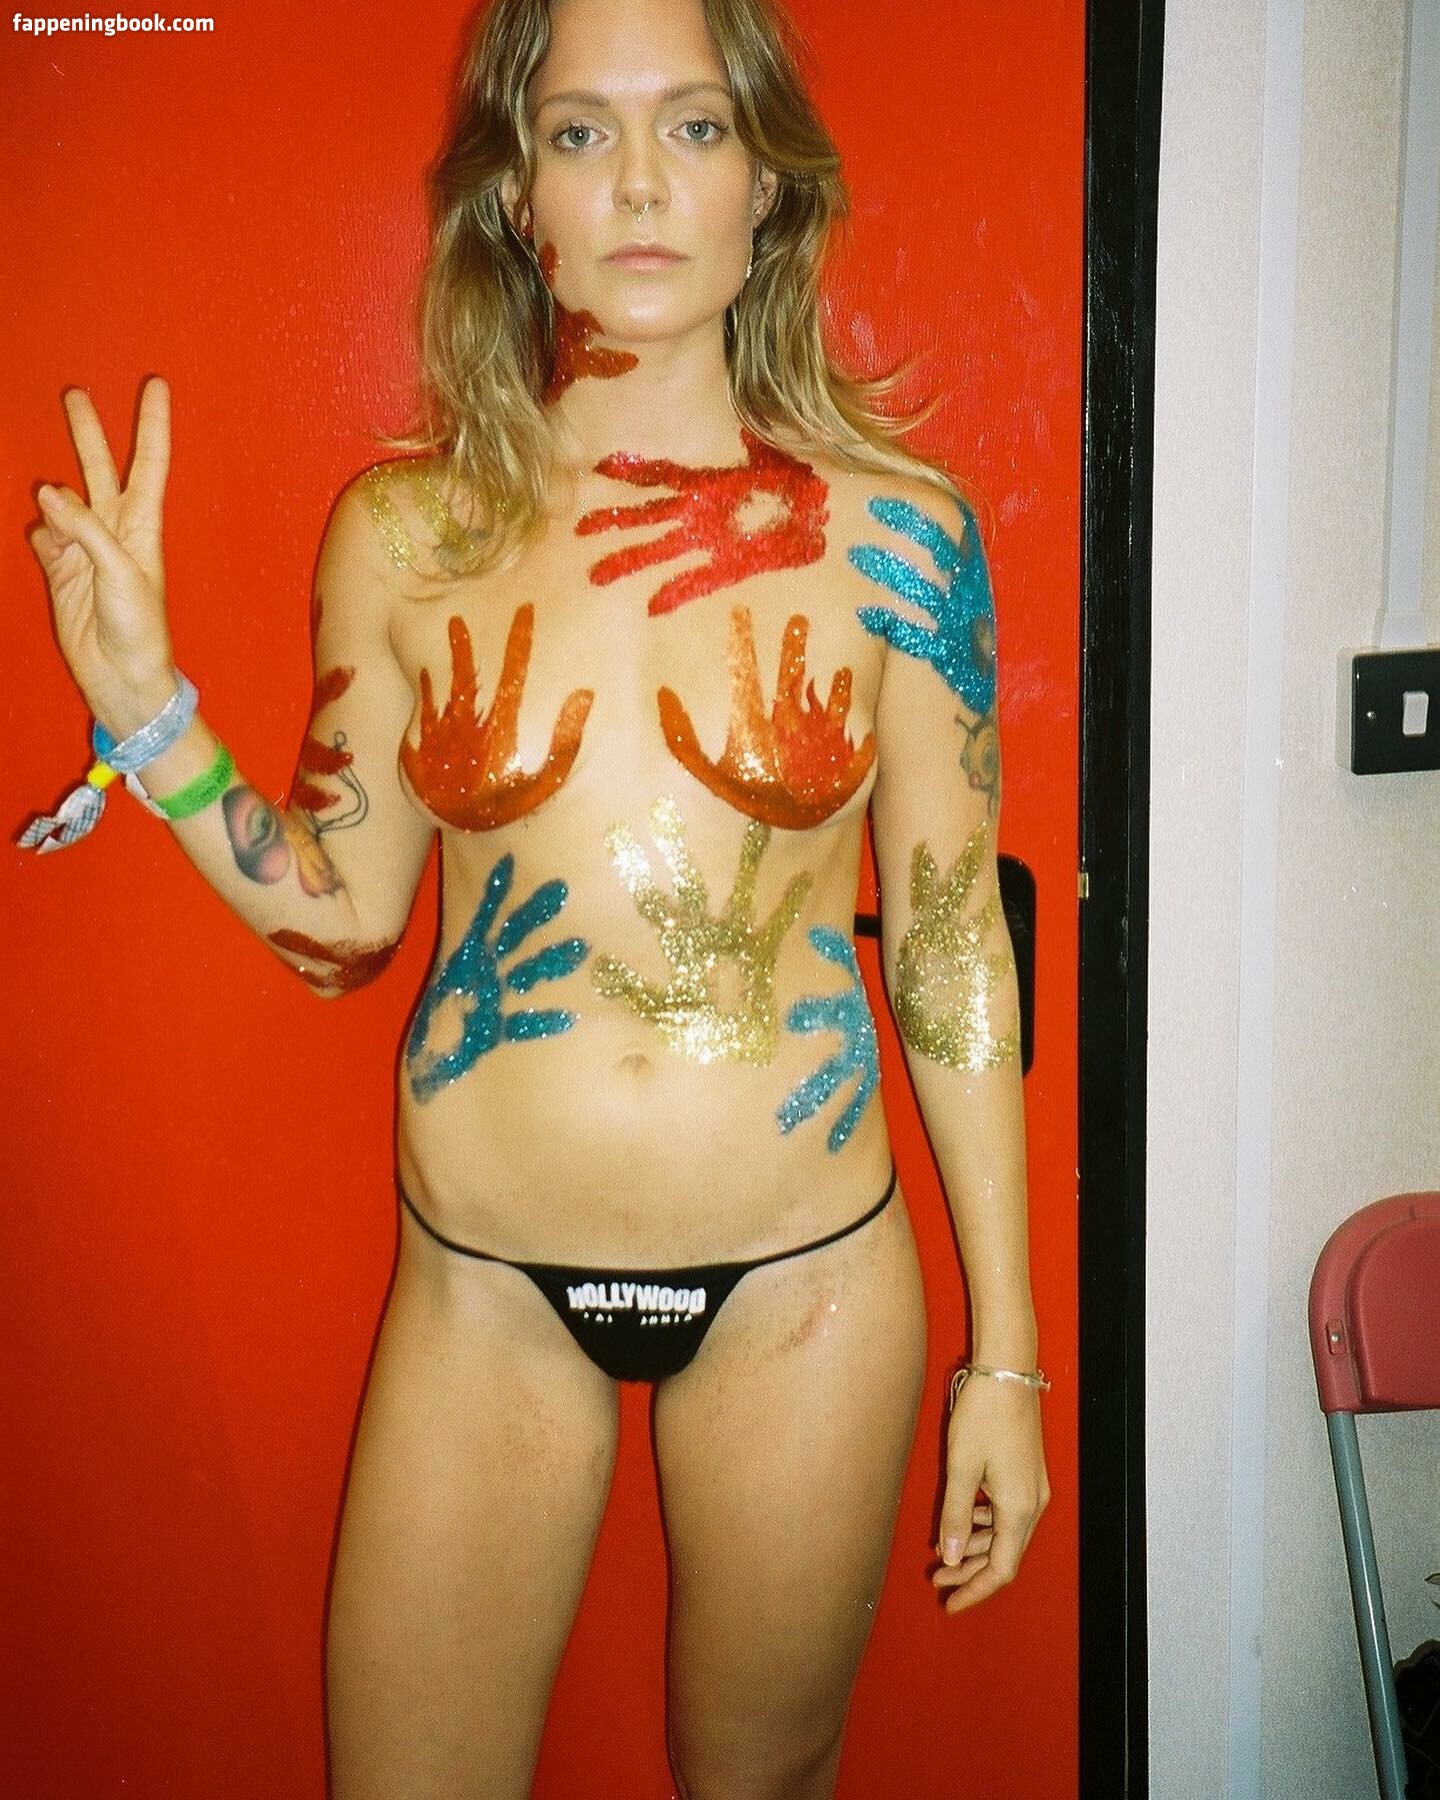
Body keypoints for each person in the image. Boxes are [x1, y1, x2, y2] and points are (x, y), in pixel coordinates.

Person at [24, 0, 1050, 1793]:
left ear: (769, 186)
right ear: (518, 197)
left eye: (696, 126)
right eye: (581, 132)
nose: (640, 180)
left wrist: (1010, 1361)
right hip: (484, 1293)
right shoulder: (405, 536)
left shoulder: (901, 538)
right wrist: (148, 710)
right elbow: (345, 924)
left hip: (807, 1291)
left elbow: (952, 940)